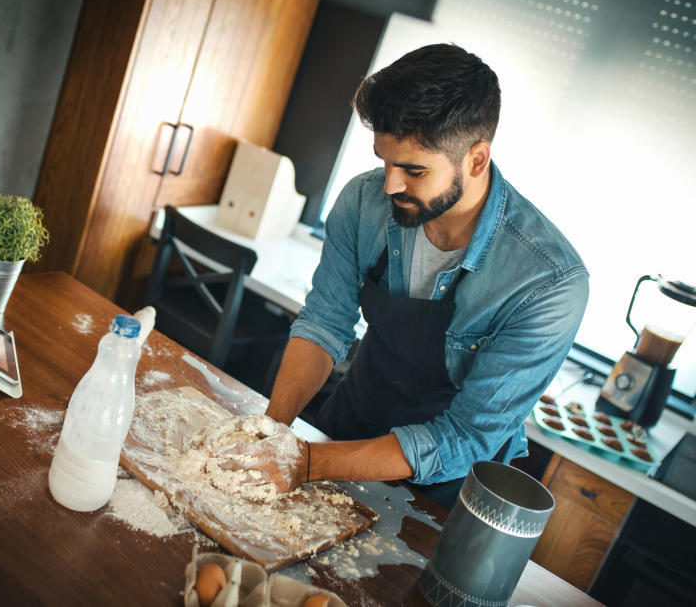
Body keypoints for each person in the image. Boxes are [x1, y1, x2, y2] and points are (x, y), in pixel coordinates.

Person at [251, 43, 589, 507]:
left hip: (443, 487)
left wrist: (306, 463)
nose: (389, 184)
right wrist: (270, 434)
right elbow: (324, 323)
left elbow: (466, 436)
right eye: (384, 161)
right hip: (350, 422)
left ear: (476, 159)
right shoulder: (363, 201)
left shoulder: (549, 283)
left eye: (413, 170)